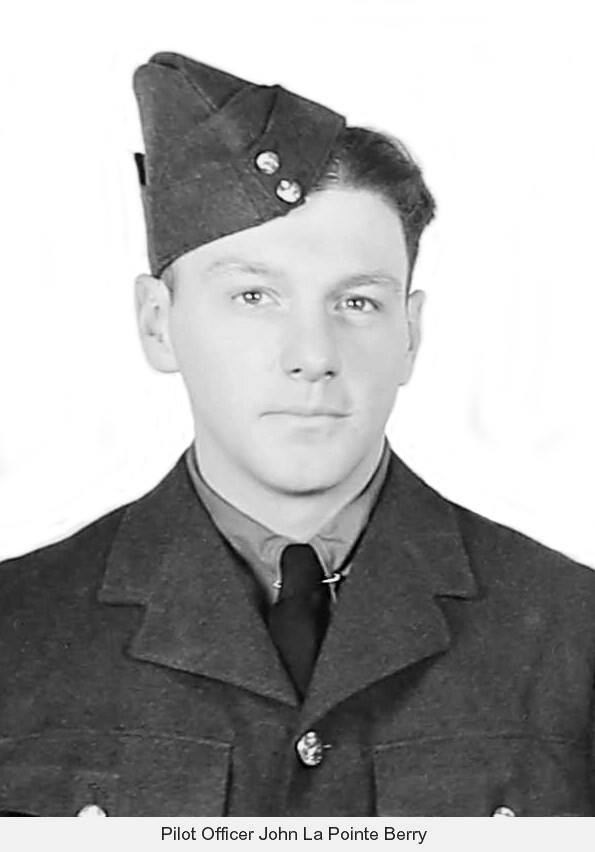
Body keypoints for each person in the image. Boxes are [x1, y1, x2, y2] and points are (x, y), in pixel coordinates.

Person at [0, 51, 594, 818]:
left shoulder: (573, 633)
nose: (312, 356)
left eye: (356, 303)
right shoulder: (16, 632)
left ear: (410, 334)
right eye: (254, 296)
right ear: (157, 324)